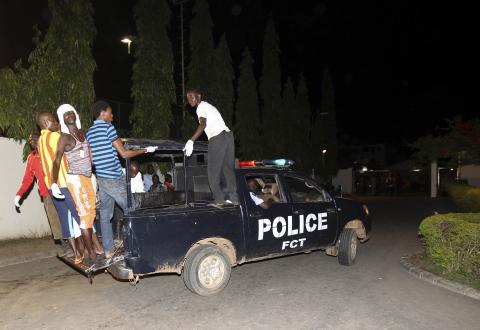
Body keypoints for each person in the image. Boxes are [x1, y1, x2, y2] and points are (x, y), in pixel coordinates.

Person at [86, 100, 157, 257]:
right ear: (103, 113)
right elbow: (124, 154)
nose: (112, 116)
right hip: (114, 177)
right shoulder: (108, 128)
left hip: (102, 179)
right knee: (131, 209)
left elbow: (90, 159)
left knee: (105, 216)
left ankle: (109, 251)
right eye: (110, 112)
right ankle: (135, 246)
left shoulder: (89, 132)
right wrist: (145, 150)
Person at [51, 104, 100, 262]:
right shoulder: (64, 137)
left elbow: (88, 153)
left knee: (91, 215)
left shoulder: (81, 132)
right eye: (66, 114)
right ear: (62, 119)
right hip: (76, 179)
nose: (69, 115)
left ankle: (93, 252)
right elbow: (56, 161)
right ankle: (92, 255)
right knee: (85, 217)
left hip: (87, 177)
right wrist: (53, 183)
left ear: (76, 115)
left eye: (71, 112)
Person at [36, 112, 83, 263]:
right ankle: (91, 249)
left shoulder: (40, 141)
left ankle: (77, 254)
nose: (57, 122)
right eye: (54, 120)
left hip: (52, 186)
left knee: (65, 220)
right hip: (64, 182)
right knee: (80, 216)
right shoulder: (56, 137)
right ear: (46, 122)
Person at [183, 87, 238, 206]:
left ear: (199, 96)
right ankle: (234, 198)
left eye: (192, 96)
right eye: (188, 98)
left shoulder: (201, 107)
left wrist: (191, 140)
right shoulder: (209, 106)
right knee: (228, 170)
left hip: (217, 138)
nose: (190, 100)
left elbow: (203, 124)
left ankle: (219, 200)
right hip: (228, 137)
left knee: (212, 172)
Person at [14, 133, 64, 249]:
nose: (33, 142)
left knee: (67, 219)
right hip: (46, 194)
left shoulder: (51, 152)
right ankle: (65, 245)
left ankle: (77, 245)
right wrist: (19, 195)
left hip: (61, 190)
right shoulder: (31, 158)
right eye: (31, 141)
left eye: (35, 139)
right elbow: (27, 179)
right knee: (55, 222)